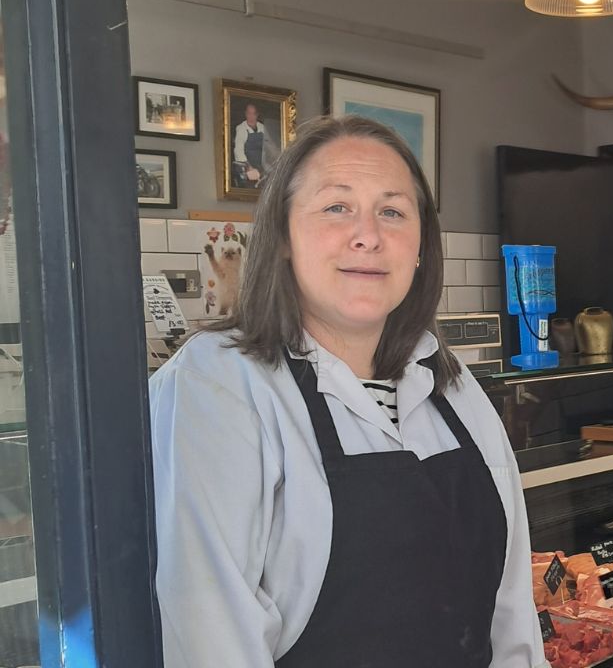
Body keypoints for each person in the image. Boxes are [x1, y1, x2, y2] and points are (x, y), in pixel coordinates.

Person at [151, 115, 545, 667]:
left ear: (421, 247)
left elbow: (511, 616)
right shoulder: (217, 383)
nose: (369, 235)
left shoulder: (451, 384)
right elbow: (210, 636)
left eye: (392, 212)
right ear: (282, 237)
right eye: (337, 207)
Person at [233, 102, 278, 187]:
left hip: (261, 164)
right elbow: (238, 151)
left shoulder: (262, 127)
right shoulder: (241, 128)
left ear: (257, 115)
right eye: (249, 113)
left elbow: (270, 144)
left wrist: (278, 156)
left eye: (253, 114)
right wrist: (249, 168)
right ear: (245, 114)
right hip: (247, 166)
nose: (251, 116)